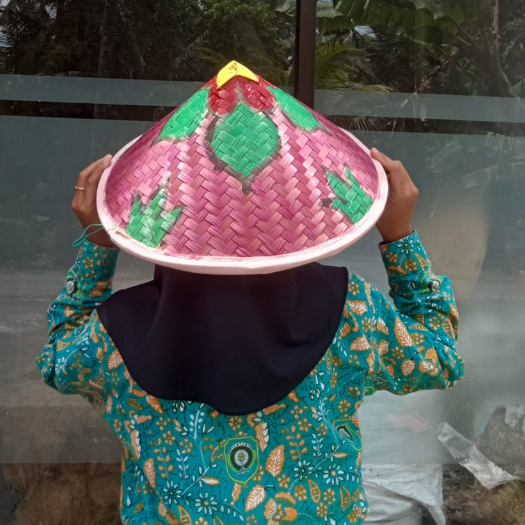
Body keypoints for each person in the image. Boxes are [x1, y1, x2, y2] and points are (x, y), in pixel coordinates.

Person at [37, 63, 464, 525]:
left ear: (163, 230)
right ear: (302, 216)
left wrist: (97, 248)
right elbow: (439, 355)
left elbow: (58, 359)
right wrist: (399, 236)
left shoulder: (116, 334)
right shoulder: (350, 312)